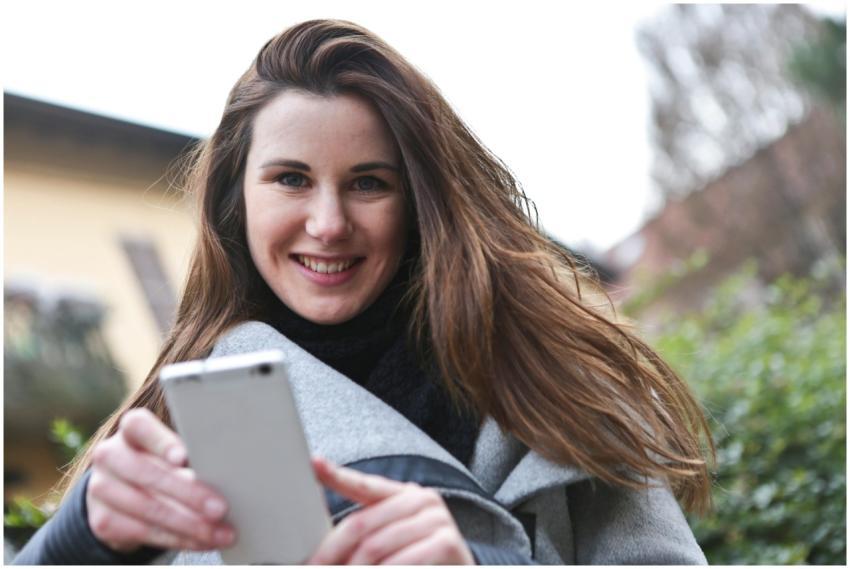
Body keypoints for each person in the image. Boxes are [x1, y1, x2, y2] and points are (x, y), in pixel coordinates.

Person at [14, 19, 714, 565]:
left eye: (368, 183)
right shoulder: (177, 422)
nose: (328, 224)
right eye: (290, 178)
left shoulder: (547, 377)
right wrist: (77, 540)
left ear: (420, 201)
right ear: (238, 200)